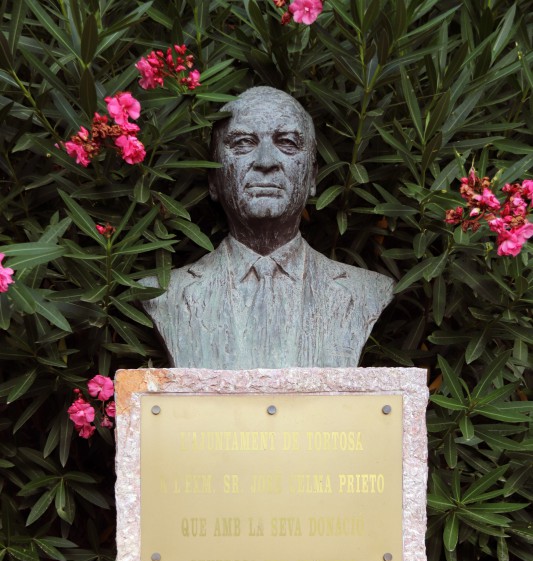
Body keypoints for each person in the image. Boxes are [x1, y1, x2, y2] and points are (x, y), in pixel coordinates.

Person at [141, 86, 394, 368]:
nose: (265, 162)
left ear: (312, 178)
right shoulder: (162, 294)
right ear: (213, 180)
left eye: (287, 143)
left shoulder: (366, 292)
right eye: (243, 143)